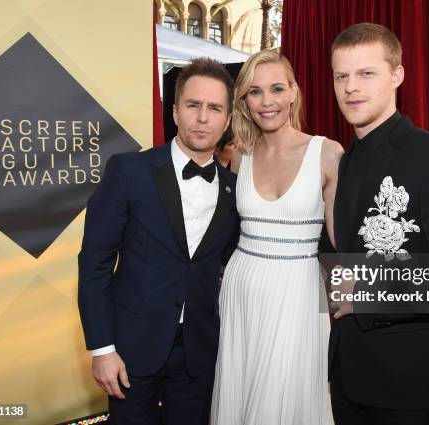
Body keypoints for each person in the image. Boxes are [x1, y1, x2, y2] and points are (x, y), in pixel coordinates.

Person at [328, 23, 429, 425]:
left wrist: (363, 291)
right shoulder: (347, 160)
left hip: (407, 383)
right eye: (341, 76)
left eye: (366, 74)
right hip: (347, 375)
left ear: (396, 75)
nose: (351, 88)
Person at [77, 58, 240, 425]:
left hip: (199, 354)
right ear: (175, 112)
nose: (203, 117)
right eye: (193, 105)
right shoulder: (129, 171)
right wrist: (102, 349)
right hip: (131, 348)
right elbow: (94, 262)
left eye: (214, 108)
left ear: (227, 120)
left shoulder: (234, 190)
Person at [210, 49, 344, 425]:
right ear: (244, 101)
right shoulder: (239, 156)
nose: (266, 101)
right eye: (254, 92)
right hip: (242, 286)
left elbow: (343, 238)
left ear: (293, 93)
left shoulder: (328, 153)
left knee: (286, 395)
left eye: (276, 89)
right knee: (242, 389)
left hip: (298, 289)